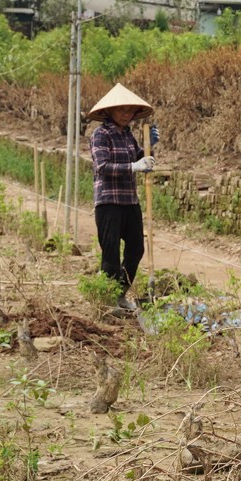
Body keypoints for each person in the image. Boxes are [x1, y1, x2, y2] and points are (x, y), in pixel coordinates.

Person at [87, 83, 158, 312]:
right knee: (110, 254)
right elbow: (103, 166)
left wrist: (149, 149)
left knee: (136, 248)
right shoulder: (100, 135)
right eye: (122, 110)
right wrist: (134, 166)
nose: (127, 114)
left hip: (130, 200)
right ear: (109, 111)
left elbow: (140, 159)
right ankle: (106, 300)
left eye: (130, 111)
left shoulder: (128, 135)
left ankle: (119, 293)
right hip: (108, 202)